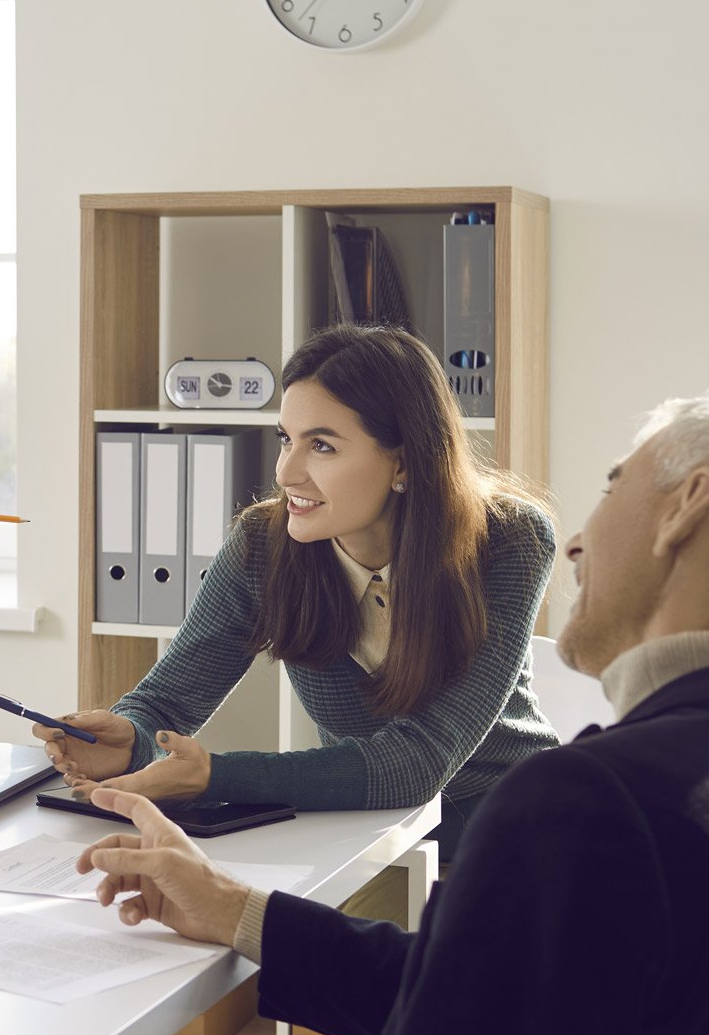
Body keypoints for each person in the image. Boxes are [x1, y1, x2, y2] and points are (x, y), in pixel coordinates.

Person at [75, 394, 709, 1035]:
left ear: (685, 509)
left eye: (616, 482)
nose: (579, 542)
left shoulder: (586, 806)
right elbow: (478, 997)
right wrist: (232, 908)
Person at [42, 324, 558, 857]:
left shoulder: (509, 538)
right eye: (286, 439)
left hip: (516, 831)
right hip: (364, 837)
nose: (287, 473)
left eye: (322, 446)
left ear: (403, 461)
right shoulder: (263, 546)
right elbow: (168, 700)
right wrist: (131, 739)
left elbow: (418, 764)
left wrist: (212, 777)